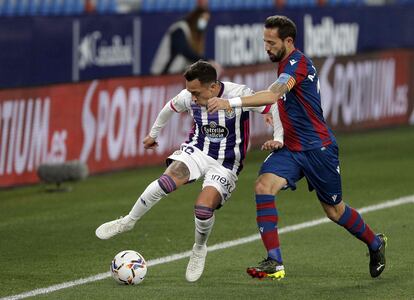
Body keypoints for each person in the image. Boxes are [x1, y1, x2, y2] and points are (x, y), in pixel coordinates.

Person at [207, 15, 387, 280]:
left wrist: (229, 103)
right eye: (264, 42)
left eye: (271, 42)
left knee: (334, 211)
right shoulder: (283, 64)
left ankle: (375, 243)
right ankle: (274, 261)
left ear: (288, 41)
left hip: (318, 149)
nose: (266, 47)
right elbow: (273, 99)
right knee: (263, 187)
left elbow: (273, 94)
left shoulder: (297, 63)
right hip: (291, 148)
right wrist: (278, 133)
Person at [95, 60, 281, 282]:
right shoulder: (189, 96)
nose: (191, 97)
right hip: (197, 151)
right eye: (189, 91)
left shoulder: (238, 93)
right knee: (166, 182)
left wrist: (278, 137)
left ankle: (199, 249)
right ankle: (128, 221)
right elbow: (169, 108)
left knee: (203, 209)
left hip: (226, 163)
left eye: (195, 92)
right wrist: (153, 135)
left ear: (212, 87)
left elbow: (273, 106)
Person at [150, 6, 216, 75]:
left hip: (177, 73)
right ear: (195, 17)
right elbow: (184, 50)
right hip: (162, 73)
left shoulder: (196, 35)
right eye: (202, 18)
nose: (204, 22)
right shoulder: (180, 29)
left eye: (206, 20)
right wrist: (206, 61)